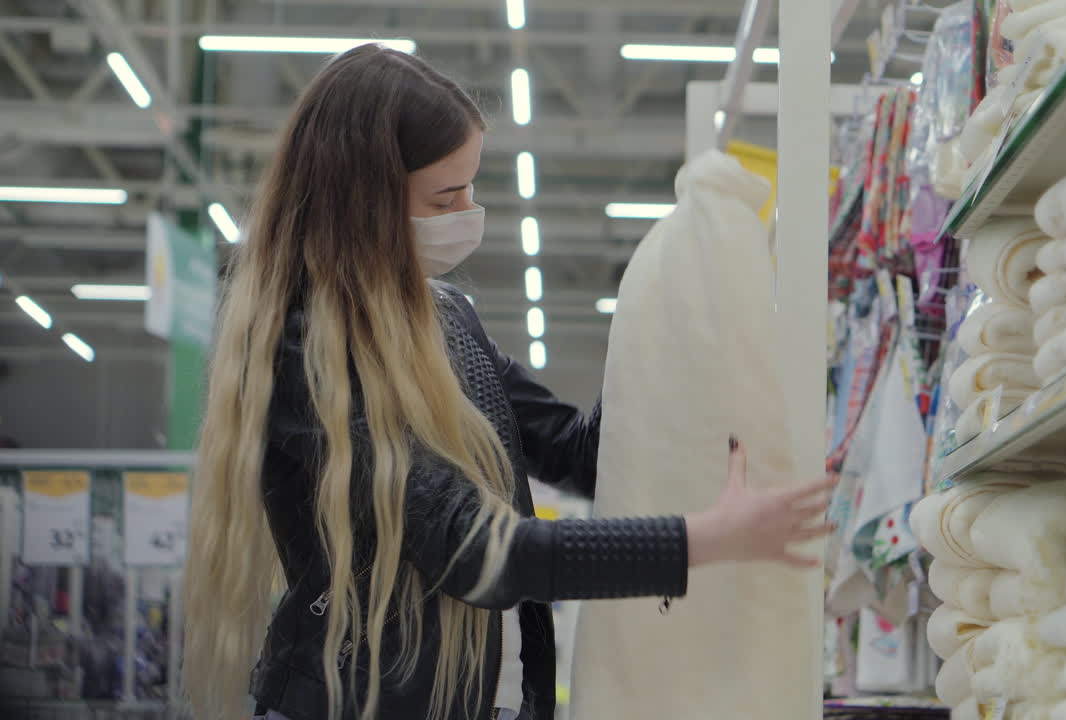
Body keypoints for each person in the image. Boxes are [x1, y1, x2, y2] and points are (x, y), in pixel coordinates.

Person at [182, 44, 832, 720]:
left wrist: (668, 308)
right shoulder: (306, 354)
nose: (470, 211)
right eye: (445, 196)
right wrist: (698, 541)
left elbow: (580, 454)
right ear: (364, 202)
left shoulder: (447, 321)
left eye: (471, 186)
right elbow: (478, 553)